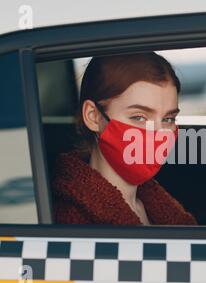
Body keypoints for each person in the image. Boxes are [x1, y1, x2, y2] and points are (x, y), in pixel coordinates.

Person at [52, 52, 197, 226]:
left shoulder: (158, 207)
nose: (160, 133)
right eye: (139, 117)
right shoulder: (71, 222)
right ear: (93, 116)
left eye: (168, 119)